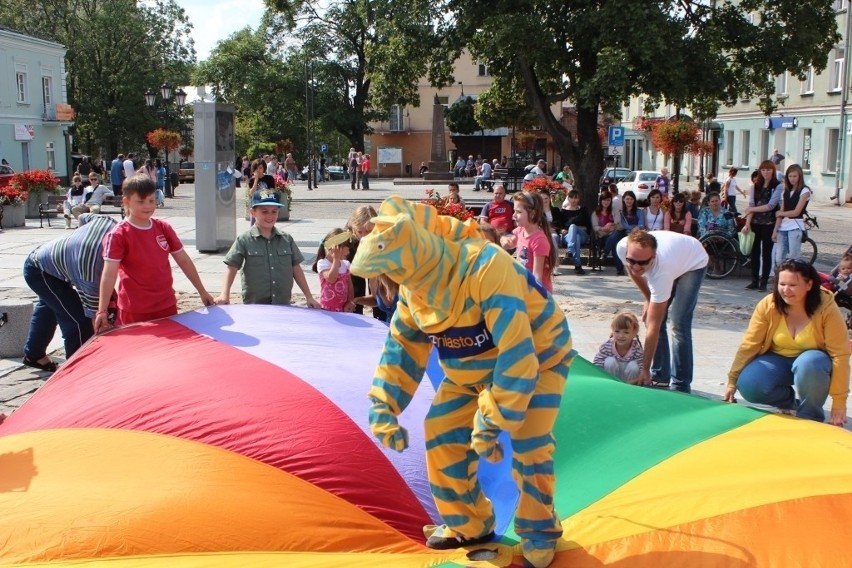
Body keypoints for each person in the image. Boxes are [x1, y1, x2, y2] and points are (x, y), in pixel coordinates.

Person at [351, 196, 573, 568]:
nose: (389, 282)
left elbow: (519, 352)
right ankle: (468, 524)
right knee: (441, 433)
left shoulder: (486, 265)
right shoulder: (412, 287)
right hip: (469, 371)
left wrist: (492, 420)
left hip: (540, 357)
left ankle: (540, 530)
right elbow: (403, 347)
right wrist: (384, 403)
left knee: (530, 442)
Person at [724, 259, 849, 426]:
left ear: (809, 284)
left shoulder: (826, 307)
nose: (786, 290)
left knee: (809, 363)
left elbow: (840, 354)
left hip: (814, 365)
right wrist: (732, 380)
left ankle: (810, 416)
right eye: (782, 284)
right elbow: (750, 343)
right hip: (778, 359)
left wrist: (839, 403)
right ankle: (790, 403)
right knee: (749, 384)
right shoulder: (769, 304)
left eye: (793, 285)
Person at [94, 174, 215, 332]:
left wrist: (202, 291)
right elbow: (109, 274)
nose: (147, 206)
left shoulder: (163, 228)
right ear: (126, 201)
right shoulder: (118, 235)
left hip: (166, 305)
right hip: (135, 309)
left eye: (151, 200)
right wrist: (102, 310)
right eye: (141, 201)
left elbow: (183, 260)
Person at [22, 214, 119, 372]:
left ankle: (34, 354)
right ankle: (78, 371)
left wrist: (74, 243)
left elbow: (84, 216)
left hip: (50, 259)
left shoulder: (109, 222)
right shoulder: (90, 269)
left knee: (51, 306)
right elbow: (95, 316)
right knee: (77, 320)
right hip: (40, 271)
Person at [616, 229, 709, 392]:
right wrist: (648, 298)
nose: (636, 266)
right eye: (632, 260)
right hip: (677, 253)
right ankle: (660, 375)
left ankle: (681, 383)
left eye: (643, 263)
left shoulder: (662, 271)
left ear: (653, 258)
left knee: (678, 324)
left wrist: (644, 370)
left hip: (694, 262)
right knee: (651, 317)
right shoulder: (622, 248)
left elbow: (654, 328)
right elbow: (634, 273)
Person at [215, 190, 320, 308]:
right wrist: (224, 295)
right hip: (255, 305)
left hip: (283, 304)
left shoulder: (286, 239)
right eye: (264, 211)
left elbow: (296, 268)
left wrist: (308, 296)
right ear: (253, 212)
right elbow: (232, 267)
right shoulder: (244, 239)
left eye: (274, 212)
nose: (270, 216)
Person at [501, 192, 557, 292]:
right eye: (514, 211)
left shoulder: (539, 241)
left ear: (532, 214)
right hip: (524, 288)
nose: (513, 215)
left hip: (538, 295)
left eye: (518, 212)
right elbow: (509, 243)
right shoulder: (520, 231)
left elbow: (537, 277)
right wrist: (503, 239)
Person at [742, 161, 783, 291]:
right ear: (760, 171)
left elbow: (770, 206)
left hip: (768, 223)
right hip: (755, 223)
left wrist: (751, 210)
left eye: (768, 170)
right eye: (763, 170)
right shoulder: (755, 186)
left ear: (773, 171)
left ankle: (764, 281)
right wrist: (747, 223)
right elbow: (751, 205)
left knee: (766, 253)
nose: (766, 172)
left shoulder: (777, 186)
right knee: (754, 253)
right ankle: (754, 280)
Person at [772, 163, 811, 267]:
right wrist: (775, 230)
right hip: (783, 227)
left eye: (795, 176)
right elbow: (781, 211)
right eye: (790, 176)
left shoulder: (805, 191)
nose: (792, 179)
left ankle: (797, 279)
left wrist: (780, 213)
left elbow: (796, 212)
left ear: (800, 176)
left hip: (795, 226)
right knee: (779, 259)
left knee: (794, 258)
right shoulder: (786, 191)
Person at [593, 311, 644, 383]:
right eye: (617, 331)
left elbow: (642, 368)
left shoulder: (636, 348)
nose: (621, 336)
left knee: (634, 366)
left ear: (634, 333)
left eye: (626, 332)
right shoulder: (607, 346)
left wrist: (637, 380)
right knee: (609, 361)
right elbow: (598, 363)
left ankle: (629, 389)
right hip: (611, 377)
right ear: (612, 330)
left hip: (630, 381)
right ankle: (610, 385)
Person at [312, 228, 355, 312]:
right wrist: (336, 260)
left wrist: (350, 301)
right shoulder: (323, 263)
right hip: (327, 309)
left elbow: (350, 286)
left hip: (343, 308)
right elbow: (331, 279)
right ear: (337, 248)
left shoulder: (345, 264)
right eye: (347, 249)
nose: (348, 252)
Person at [559, 189, 592, 275]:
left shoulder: (583, 210)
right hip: (568, 237)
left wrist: (578, 228)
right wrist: (562, 230)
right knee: (575, 237)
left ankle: (570, 249)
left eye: (576, 198)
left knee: (573, 227)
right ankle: (578, 266)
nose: (574, 200)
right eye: (571, 197)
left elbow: (588, 226)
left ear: (579, 199)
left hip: (583, 235)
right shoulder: (563, 212)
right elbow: (560, 227)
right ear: (568, 198)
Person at [592, 192, 624, 275]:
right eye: (604, 200)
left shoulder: (614, 210)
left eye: (608, 200)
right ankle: (619, 269)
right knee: (615, 241)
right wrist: (603, 228)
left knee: (615, 238)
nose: (606, 202)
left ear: (611, 201)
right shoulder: (596, 213)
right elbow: (595, 227)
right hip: (601, 237)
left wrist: (611, 225)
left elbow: (619, 224)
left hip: (613, 234)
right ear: (601, 201)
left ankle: (605, 253)